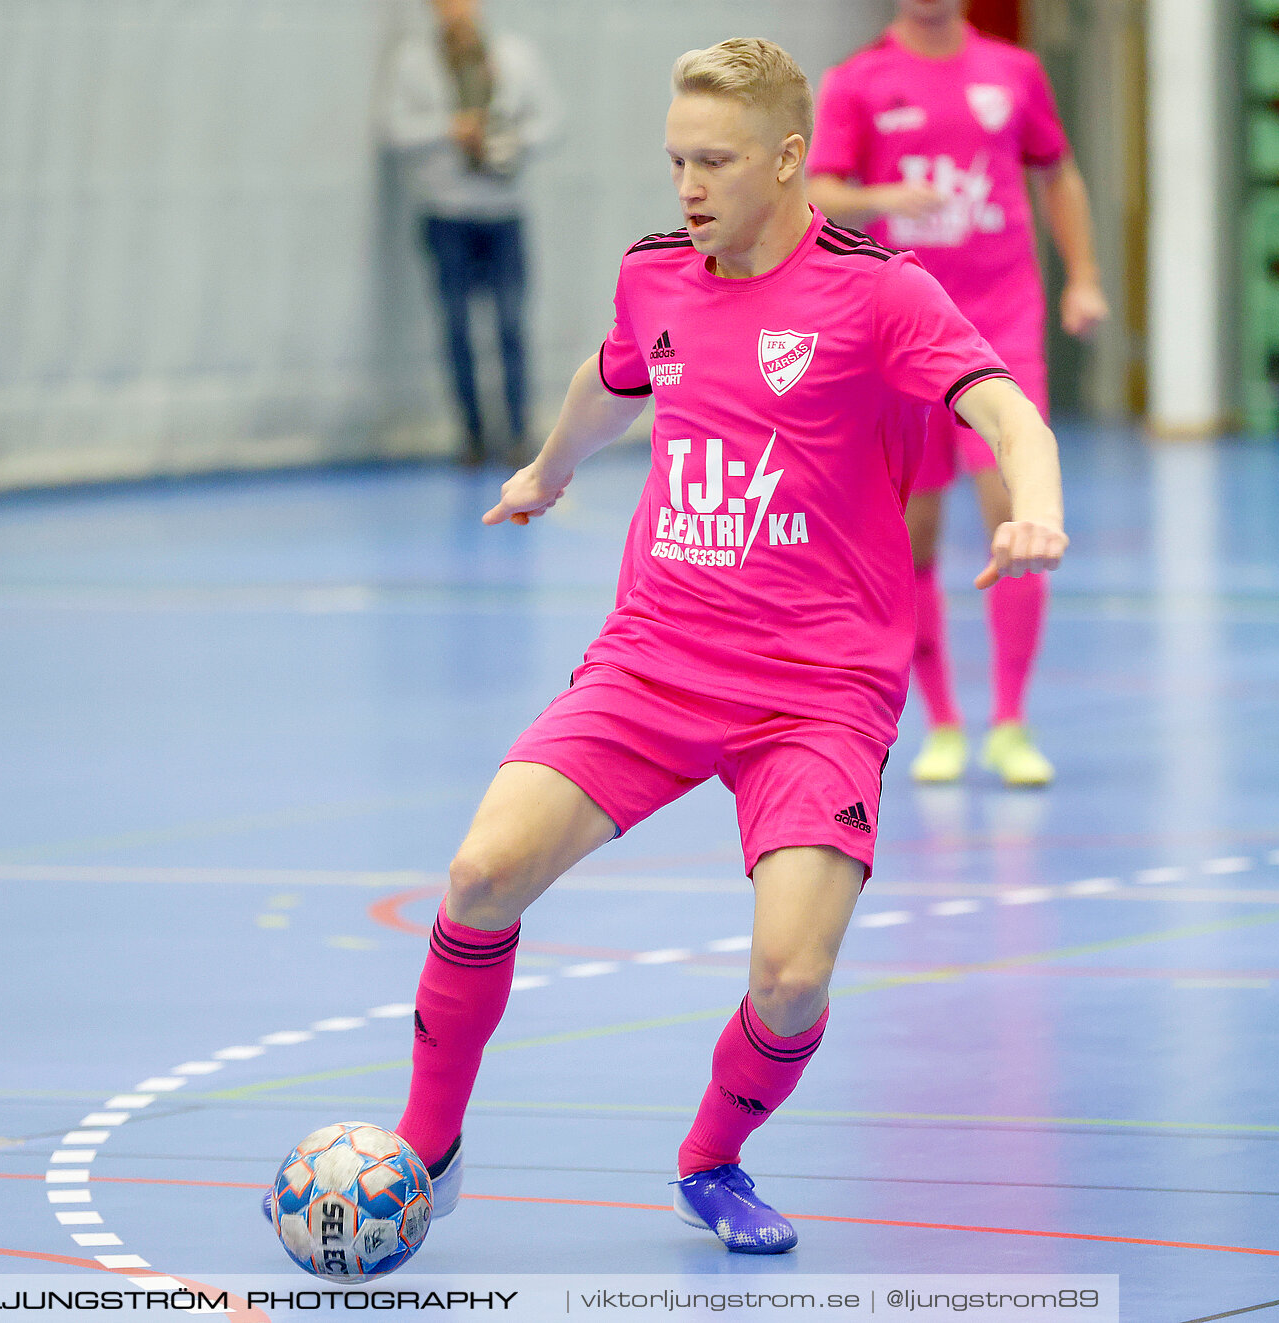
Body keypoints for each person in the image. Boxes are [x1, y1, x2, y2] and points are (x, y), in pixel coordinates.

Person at [273, 37, 1066, 1254]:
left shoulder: (880, 292)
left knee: (792, 977)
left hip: (820, 691)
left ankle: (713, 1159)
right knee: (482, 875)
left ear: (790, 160)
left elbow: (1006, 406)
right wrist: (548, 468)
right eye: (676, 160)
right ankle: (427, 1148)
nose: (688, 186)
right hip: (655, 657)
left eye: (716, 161)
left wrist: (1035, 502)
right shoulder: (658, 275)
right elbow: (614, 377)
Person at [807, 0, 1106, 786]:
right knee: (912, 535)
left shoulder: (1014, 72)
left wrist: (1082, 278)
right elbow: (819, 193)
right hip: (900, 339)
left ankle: (1010, 719)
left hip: (1002, 327)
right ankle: (940, 720)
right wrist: (881, 202)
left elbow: (1058, 171)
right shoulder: (857, 82)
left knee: (1016, 514)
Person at [384, 0, 558, 465]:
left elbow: (549, 123)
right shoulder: (413, 61)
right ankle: (473, 436)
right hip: (447, 213)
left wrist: (508, 136)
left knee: (510, 325)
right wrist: (450, 131)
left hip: (503, 211)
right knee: (457, 326)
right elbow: (394, 131)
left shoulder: (515, 55)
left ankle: (520, 433)